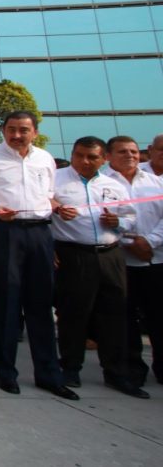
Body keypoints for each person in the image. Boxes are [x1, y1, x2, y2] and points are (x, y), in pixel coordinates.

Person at [0, 110, 77, 400]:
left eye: (23, 130)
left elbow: (48, 195)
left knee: (41, 305)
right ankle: (6, 372)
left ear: (35, 132)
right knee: (5, 304)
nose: (17, 135)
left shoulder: (45, 159)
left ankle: (49, 374)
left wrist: (58, 206)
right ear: (3, 130)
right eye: (11, 129)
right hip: (4, 234)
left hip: (40, 233)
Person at [52, 136, 147, 398]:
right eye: (79, 155)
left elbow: (131, 218)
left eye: (92, 157)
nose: (85, 161)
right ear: (72, 154)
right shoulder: (56, 180)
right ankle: (70, 367)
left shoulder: (112, 185)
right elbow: (41, 210)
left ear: (103, 159)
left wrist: (118, 222)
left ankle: (116, 372)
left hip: (110, 254)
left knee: (115, 313)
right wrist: (57, 209)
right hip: (73, 254)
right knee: (74, 313)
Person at [103, 136, 163, 388]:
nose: (129, 155)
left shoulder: (156, 183)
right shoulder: (102, 183)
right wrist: (131, 242)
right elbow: (99, 220)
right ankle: (131, 368)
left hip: (155, 258)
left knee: (159, 316)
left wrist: (149, 242)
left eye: (133, 151)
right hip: (121, 260)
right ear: (108, 156)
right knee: (124, 319)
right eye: (122, 152)